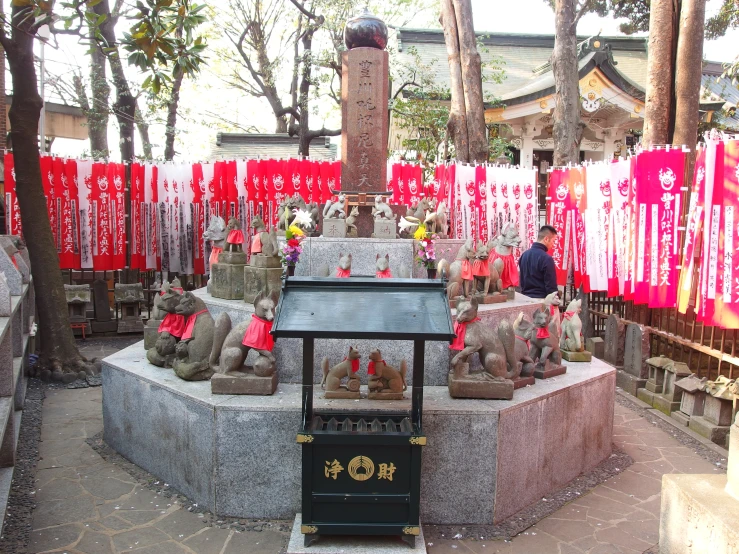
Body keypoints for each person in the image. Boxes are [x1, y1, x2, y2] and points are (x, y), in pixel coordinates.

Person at [518, 225, 558, 299]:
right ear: (546, 239)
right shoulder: (547, 258)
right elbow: (551, 286)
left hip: (524, 299)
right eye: (553, 241)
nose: (553, 244)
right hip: (542, 300)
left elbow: (521, 280)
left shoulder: (524, 255)